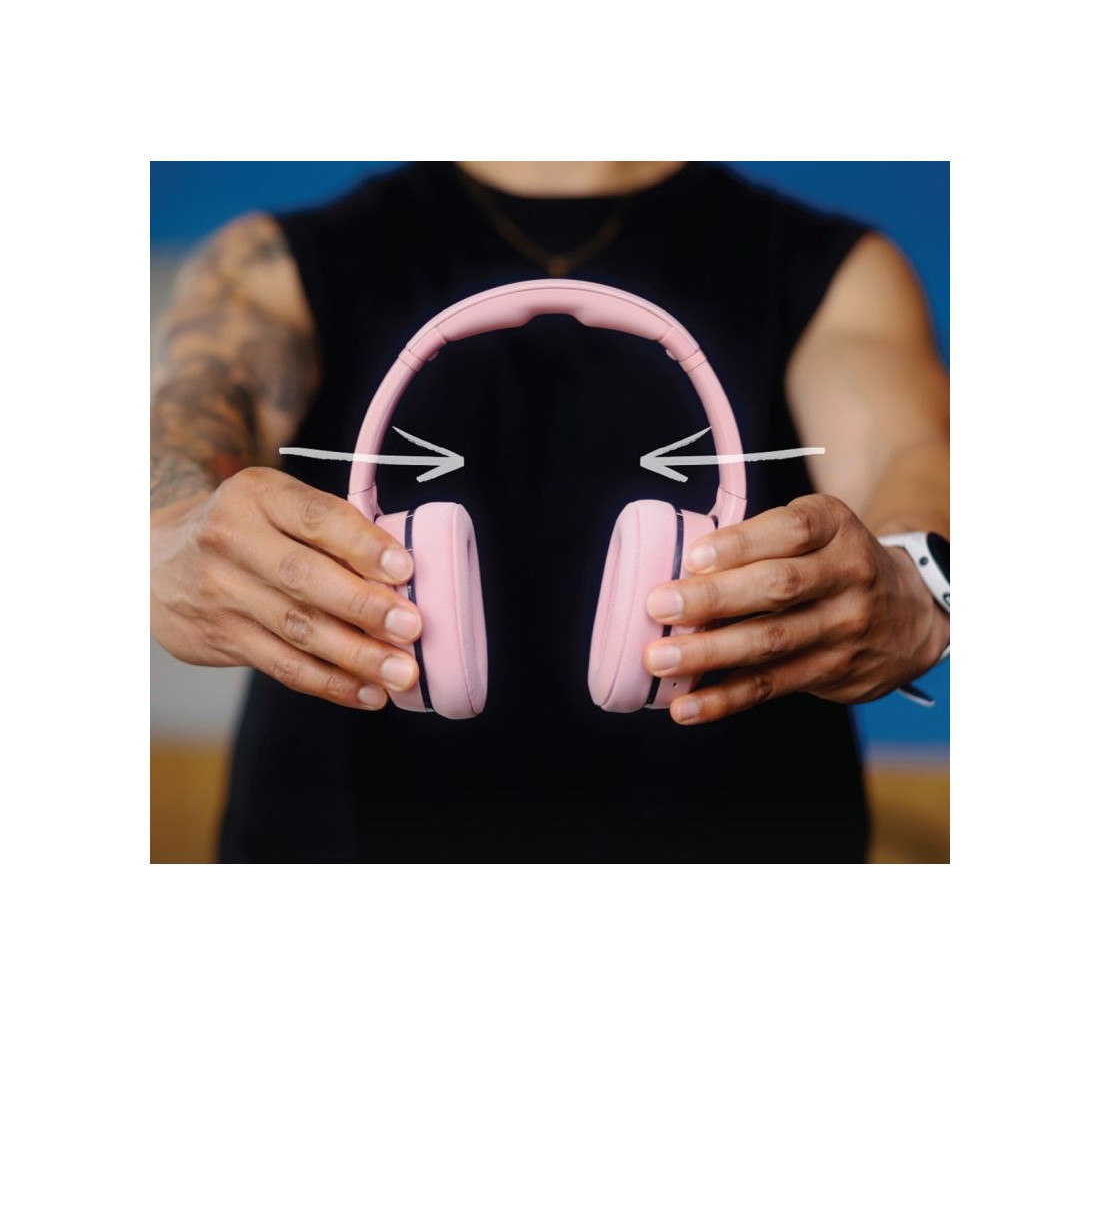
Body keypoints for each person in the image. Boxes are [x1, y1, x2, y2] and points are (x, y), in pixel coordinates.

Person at [150, 161, 949, 863]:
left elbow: (908, 456)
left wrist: (915, 581)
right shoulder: (269, 264)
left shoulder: (834, 267)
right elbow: (189, 420)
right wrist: (165, 530)